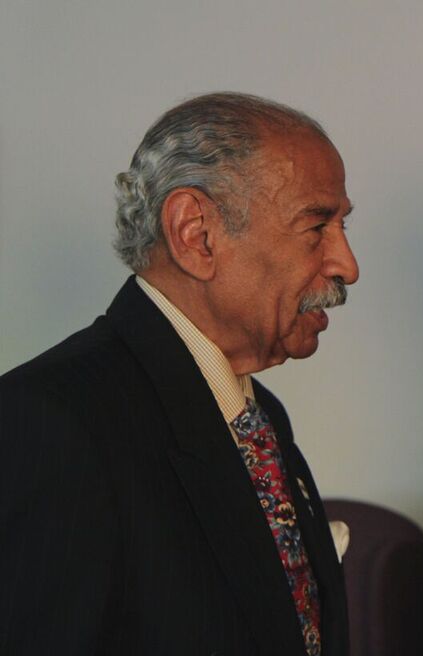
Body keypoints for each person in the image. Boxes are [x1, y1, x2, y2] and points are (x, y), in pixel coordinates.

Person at [0, 93, 357, 656]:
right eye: (316, 227)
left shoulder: (260, 414)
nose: (347, 264)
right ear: (197, 234)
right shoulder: (52, 421)